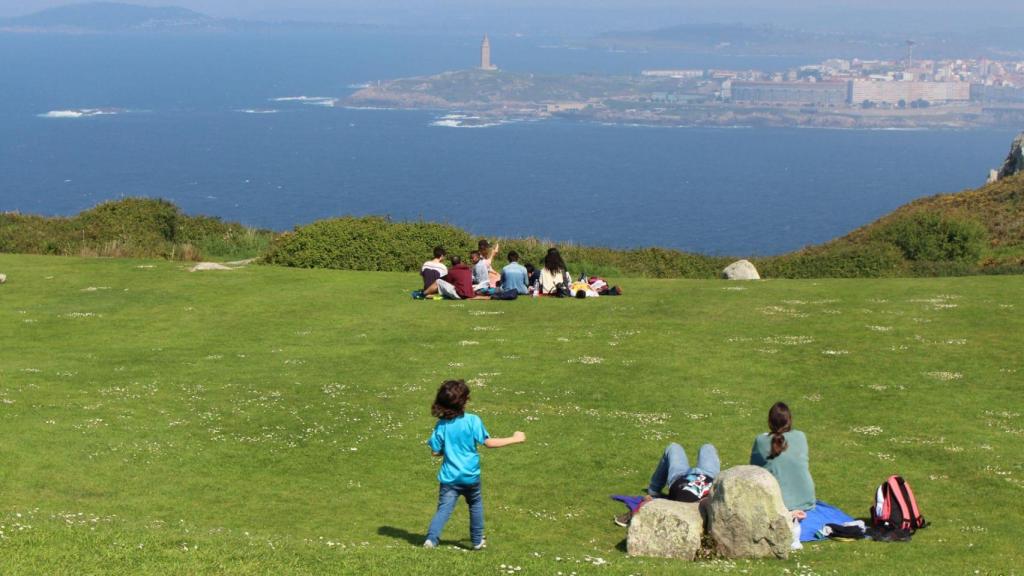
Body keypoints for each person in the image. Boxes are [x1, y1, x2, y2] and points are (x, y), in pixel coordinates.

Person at [424, 380, 526, 550]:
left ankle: (431, 539)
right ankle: (477, 541)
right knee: (475, 505)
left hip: (449, 478)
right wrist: (515, 438)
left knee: (444, 509)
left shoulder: (441, 425)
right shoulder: (473, 421)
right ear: (463, 401)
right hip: (470, 477)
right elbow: (489, 442)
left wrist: (447, 449)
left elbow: (435, 452)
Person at [614, 442, 721, 527]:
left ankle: (654, 490)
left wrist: (642, 506)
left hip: (679, 476)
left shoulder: (685, 506)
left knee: (673, 447)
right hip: (708, 474)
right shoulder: (710, 501)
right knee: (707, 447)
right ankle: (653, 491)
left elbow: (647, 506)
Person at [750, 402, 816, 513]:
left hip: (780, 504)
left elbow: (753, 471)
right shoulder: (801, 436)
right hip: (807, 500)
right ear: (789, 420)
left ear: (769, 421)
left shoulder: (761, 440)